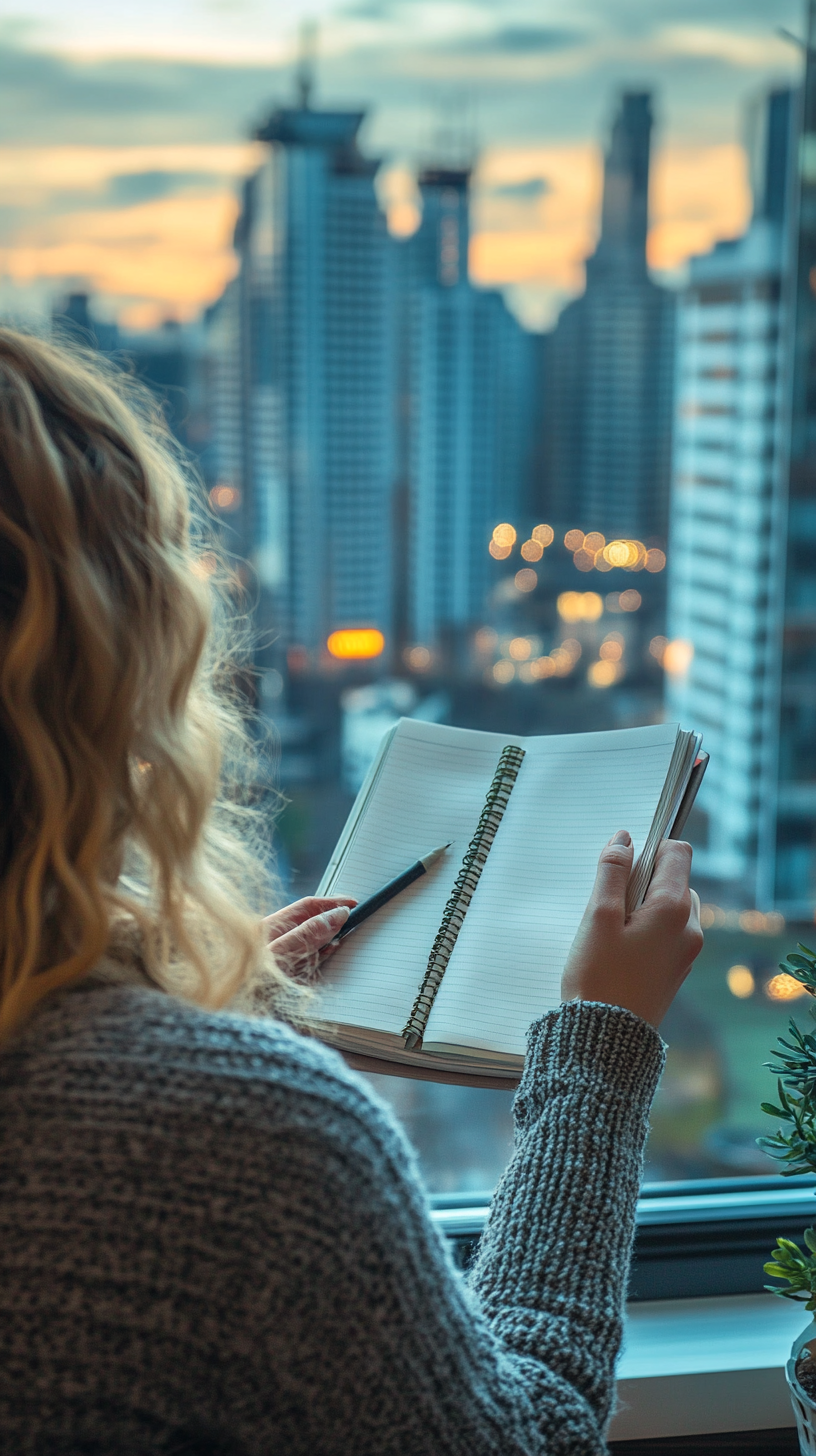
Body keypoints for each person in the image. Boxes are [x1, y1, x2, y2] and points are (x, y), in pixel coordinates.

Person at [0, 327, 703, 1456]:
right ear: (122, 668)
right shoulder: (251, 1146)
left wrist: (202, 1020)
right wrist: (601, 1049)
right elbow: (534, 1441)